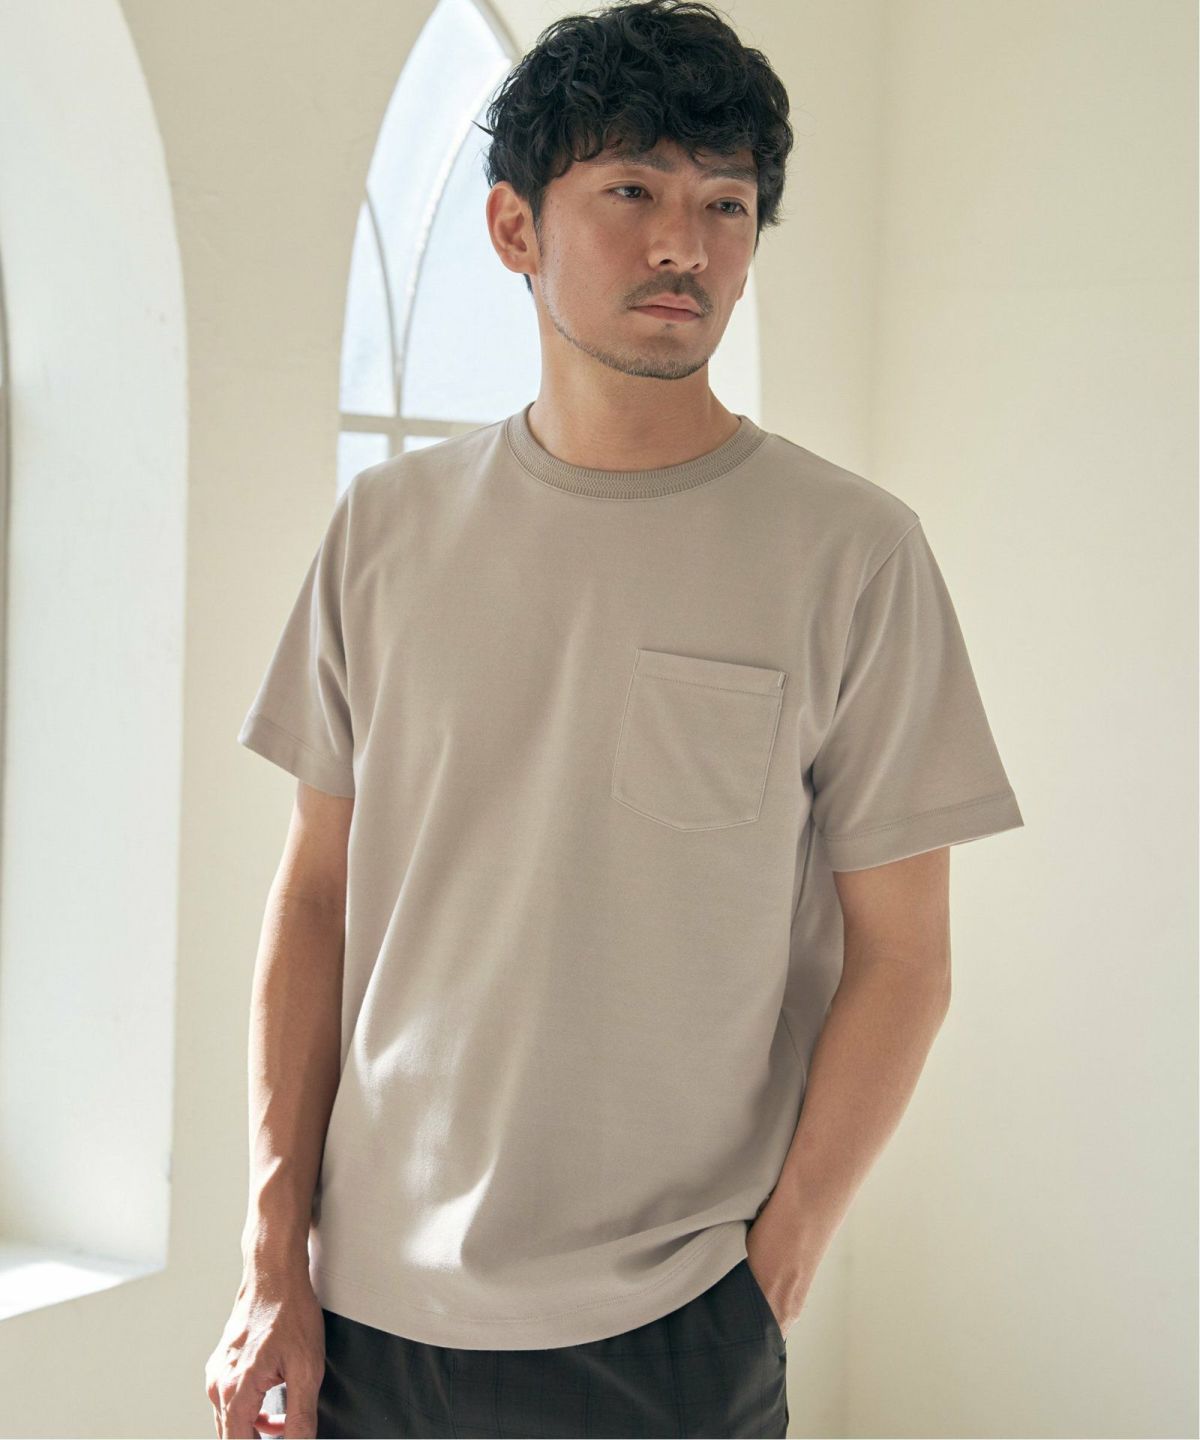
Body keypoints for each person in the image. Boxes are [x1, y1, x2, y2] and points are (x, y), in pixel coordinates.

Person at [206, 1, 1025, 1435]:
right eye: (633, 191)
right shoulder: (385, 532)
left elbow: (905, 958)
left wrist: (778, 1260)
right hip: (365, 1313)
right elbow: (316, 898)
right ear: (514, 229)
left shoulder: (852, 554)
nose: (684, 246)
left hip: (669, 1326)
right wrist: (273, 1257)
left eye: (726, 205)